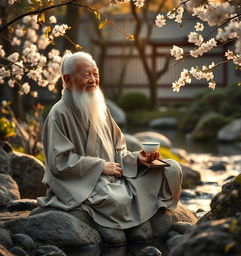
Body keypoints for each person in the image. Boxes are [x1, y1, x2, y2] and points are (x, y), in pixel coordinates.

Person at [38, 51, 183, 231]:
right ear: (68, 80)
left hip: (115, 177)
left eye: (95, 74)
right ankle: (139, 207)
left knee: (171, 169)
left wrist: (138, 158)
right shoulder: (59, 114)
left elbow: (118, 151)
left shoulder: (100, 108)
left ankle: (139, 204)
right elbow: (58, 162)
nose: (93, 79)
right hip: (84, 183)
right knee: (117, 200)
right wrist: (99, 167)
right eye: (86, 75)